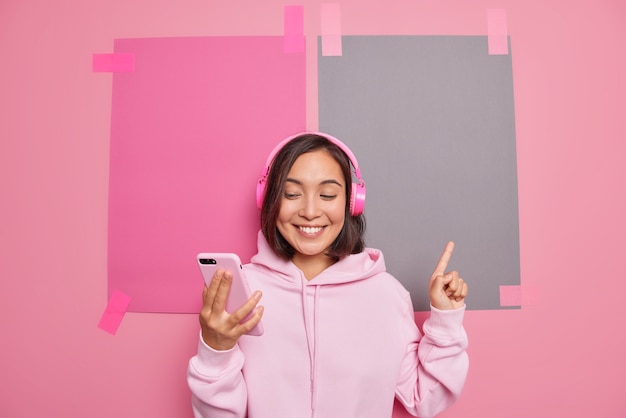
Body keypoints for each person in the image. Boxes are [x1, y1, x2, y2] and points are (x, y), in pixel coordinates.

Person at [187, 132, 469, 418]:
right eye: (292, 194)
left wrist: (445, 323)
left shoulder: (387, 295)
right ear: (268, 199)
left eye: (327, 195)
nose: (310, 211)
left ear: (352, 203)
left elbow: (425, 399)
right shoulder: (242, 293)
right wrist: (216, 349)